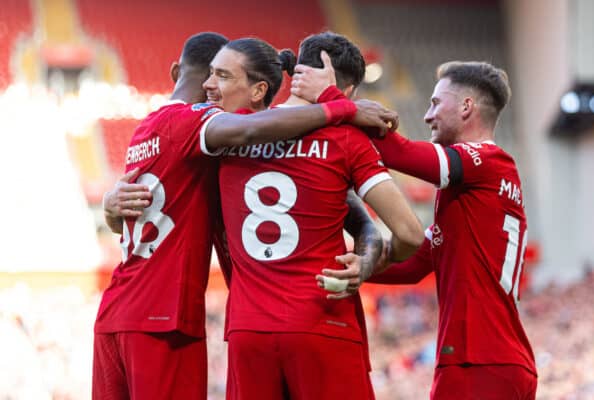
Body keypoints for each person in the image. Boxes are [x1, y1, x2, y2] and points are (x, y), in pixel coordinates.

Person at [94, 32, 398, 400]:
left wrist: (111, 208)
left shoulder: (149, 129)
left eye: (222, 76)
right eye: (212, 75)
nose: (211, 86)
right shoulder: (207, 130)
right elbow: (250, 128)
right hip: (171, 318)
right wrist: (344, 108)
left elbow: (129, 215)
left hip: (129, 311)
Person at [294, 60, 538, 399]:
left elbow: (401, 152)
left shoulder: (485, 160)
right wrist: (347, 265)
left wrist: (333, 102)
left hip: (479, 361)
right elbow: (412, 263)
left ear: (467, 106)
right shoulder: (470, 196)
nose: (427, 115)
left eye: (436, 103)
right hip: (497, 361)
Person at [200, 34, 423, 400]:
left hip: (248, 330)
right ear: (347, 91)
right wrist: (374, 263)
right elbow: (410, 234)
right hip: (322, 319)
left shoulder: (232, 132)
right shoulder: (346, 141)